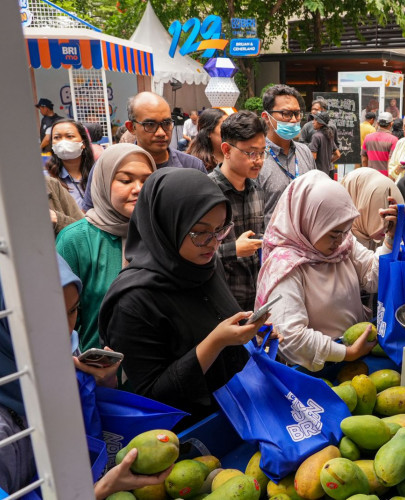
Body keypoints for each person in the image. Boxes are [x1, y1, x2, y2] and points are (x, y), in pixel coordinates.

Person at [100, 168, 273, 423]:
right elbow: (154, 398)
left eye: (220, 230)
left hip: (239, 413)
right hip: (185, 439)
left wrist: (248, 333)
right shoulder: (132, 302)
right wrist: (215, 342)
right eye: (200, 232)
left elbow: (215, 320)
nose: (214, 243)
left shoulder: (205, 266)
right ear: (167, 225)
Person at [0, 255, 169, 497]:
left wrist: (102, 382)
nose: (65, 330)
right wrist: (100, 490)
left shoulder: (67, 350)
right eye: (44, 318)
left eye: (72, 310)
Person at [256, 171, 397, 372]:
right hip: (315, 372)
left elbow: (373, 277)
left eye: (344, 231)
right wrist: (344, 353)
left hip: (355, 361)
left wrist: (390, 238)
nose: (340, 241)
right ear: (309, 221)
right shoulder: (285, 266)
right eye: (332, 234)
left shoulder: (344, 245)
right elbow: (291, 337)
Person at [57, 144, 156, 352]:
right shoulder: (75, 239)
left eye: (147, 181)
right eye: (126, 180)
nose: (138, 188)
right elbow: (60, 320)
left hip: (159, 372)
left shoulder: (161, 234)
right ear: (103, 182)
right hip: (97, 374)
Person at [81, 92, 206, 210]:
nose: (161, 133)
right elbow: (89, 212)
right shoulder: (107, 166)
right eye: (150, 124)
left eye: (167, 123)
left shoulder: (192, 166)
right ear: (131, 127)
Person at [209, 111, 266, 312]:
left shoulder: (256, 189)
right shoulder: (206, 192)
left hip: (255, 302)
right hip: (220, 304)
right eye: (251, 153)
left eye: (262, 152)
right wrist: (233, 250)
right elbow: (192, 255)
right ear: (226, 149)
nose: (258, 160)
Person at [258, 84, 316, 228]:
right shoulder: (256, 157)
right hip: (272, 244)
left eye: (297, 113)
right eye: (286, 114)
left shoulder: (304, 152)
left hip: (306, 241)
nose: (294, 119)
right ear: (266, 117)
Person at [341, 167, 405, 250]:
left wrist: (393, 237)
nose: (386, 224)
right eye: (376, 214)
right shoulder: (339, 245)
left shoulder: (391, 232)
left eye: (389, 214)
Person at [45, 118, 95, 207]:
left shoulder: (97, 173)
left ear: (83, 142)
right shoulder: (46, 179)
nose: (63, 142)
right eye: (57, 137)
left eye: (69, 136)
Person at [309, 111, 340, 177]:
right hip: (326, 173)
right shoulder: (329, 136)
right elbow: (338, 155)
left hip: (316, 174)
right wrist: (327, 162)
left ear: (320, 123)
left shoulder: (316, 136)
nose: (313, 122)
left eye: (315, 120)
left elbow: (313, 157)